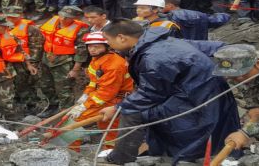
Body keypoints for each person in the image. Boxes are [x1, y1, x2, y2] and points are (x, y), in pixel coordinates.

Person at [99, 20, 240, 164]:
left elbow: (150, 94)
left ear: (122, 37)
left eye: (108, 40)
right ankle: (154, 151)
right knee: (137, 108)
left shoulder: (154, 57)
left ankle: (121, 158)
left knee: (134, 113)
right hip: (198, 91)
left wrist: (118, 108)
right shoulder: (160, 41)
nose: (108, 44)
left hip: (197, 99)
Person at [65, 31, 134, 151]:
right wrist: (85, 95)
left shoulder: (114, 65)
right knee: (108, 124)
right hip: (109, 97)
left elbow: (106, 93)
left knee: (76, 119)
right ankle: (111, 149)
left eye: (97, 46)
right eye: (90, 46)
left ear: (107, 47)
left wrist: (85, 106)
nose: (92, 49)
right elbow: (94, 82)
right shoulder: (97, 59)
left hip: (114, 98)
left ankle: (71, 150)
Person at [38, 6, 90, 116]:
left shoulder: (81, 29)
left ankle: (65, 112)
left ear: (74, 18)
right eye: (62, 15)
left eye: (67, 17)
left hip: (64, 63)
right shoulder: (52, 22)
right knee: (45, 85)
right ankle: (52, 106)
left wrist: (76, 69)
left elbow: (82, 51)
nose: (63, 19)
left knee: (64, 89)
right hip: (46, 59)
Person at [4, 6, 43, 114]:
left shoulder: (31, 29)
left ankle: (32, 105)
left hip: (24, 61)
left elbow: (37, 47)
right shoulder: (4, 27)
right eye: (8, 17)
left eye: (14, 17)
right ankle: (16, 101)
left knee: (26, 83)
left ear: (21, 15)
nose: (11, 19)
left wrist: (33, 63)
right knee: (11, 82)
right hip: (9, 61)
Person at [162, 0, 230, 40]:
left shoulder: (167, 18)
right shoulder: (198, 14)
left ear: (169, 5)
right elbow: (217, 20)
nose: (158, 8)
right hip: (201, 46)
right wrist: (226, 15)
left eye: (160, 5)